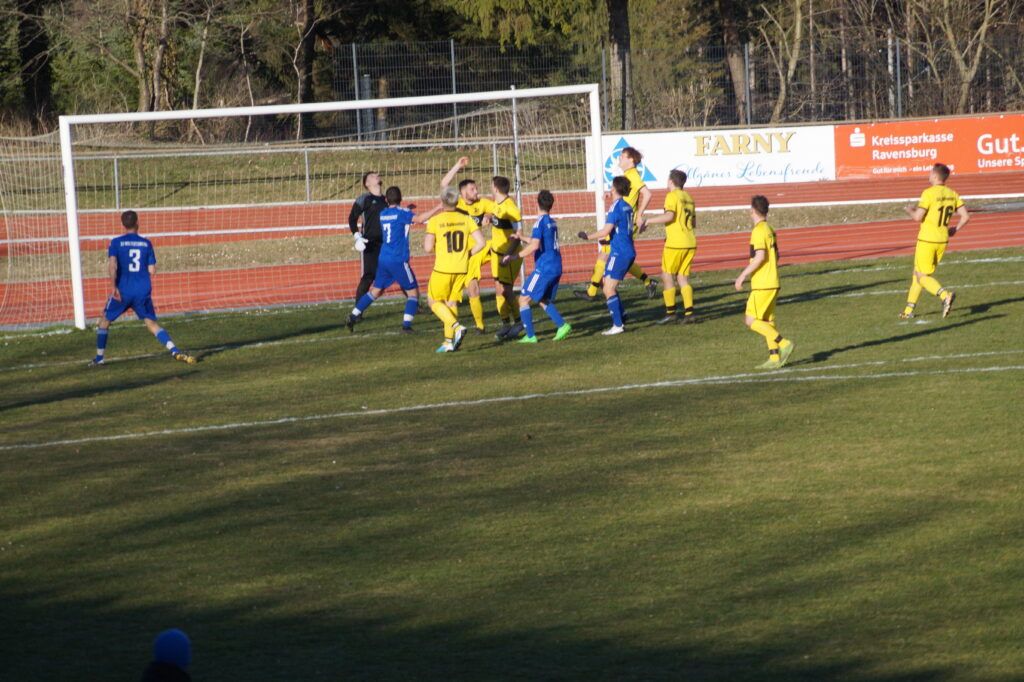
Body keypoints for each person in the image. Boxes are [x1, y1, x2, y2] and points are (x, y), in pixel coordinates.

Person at [89, 210, 195, 367]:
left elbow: (112, 266)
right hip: (142, 291)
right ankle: (174, 350)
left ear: (122, 224)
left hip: (123, 291)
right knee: (151, 323)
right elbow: (152, 270)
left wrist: (113, 286)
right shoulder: (146, 243)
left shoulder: (116, 242)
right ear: (137, 223)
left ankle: (99, 358)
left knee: (105, 321)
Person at [346, 186, 441, 333]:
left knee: (376, 291)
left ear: (386, 200)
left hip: (384, 258)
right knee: (413, 293)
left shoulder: (383, 214)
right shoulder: (403, 213)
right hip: (398, 259)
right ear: (401, 198)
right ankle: (406, 325)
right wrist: (439, 207)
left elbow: (396, 217)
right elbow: (421, 219)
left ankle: (353, 316)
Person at [576, 146, 657, 302]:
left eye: (622, 156)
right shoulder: (628, 175)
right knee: (617, 255)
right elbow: (628, 194)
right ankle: (648, 281)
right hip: (622, 220)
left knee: (607, 254)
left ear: (631, 160)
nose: (619, 158)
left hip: (624, 223)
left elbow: (647, 194)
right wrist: (612, 193)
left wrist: (639, 215)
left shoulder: (633, 175)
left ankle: (592, 292)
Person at [899, 163, 969, 320]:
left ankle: (945, 296)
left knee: (921, 276)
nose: (928, 175)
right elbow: (965, 217)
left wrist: (909, 210)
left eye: (930, 173)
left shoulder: (928, 193)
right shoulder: (952, 193)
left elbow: (918, 217)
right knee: (918, 273)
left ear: (936, 176)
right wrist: (955, 229)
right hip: (942, 240)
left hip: (927, 239)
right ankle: (908, 311)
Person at [734, 195, 794, 369]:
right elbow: (776, 255)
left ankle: (784, 343)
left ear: (753, 210)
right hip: (773, 281)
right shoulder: (770, 229)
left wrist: (742, 275)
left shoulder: (758, 231)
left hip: (763, 284)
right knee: (767, 321)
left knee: (750, 320)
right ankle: (774, 358)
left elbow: (760, 257)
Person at [424, 187, 486, 353]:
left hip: (443, 268)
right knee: (451, 302)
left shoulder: (435, 221)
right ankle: (448, 341)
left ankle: (456, 327)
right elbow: (481, 243)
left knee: (433, 301)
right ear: (457, 201)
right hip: (461, 268)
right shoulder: (466, 219)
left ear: (442, 201)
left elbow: (428, 248)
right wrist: (467, 254)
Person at [507, 190, 571, 343]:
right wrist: (521, 237)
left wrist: (516, 256)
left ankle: (530, 336)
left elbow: (535, 245)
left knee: (523, 298)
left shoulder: (539, 222)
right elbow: (539, 241)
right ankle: (562, 326)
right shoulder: (552, 222)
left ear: (537, 203)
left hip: (544, 268)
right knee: (542, 298)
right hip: (556, 265)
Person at [440, 157, 496, 334]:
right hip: (464, 254)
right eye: (472, 189)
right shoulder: (458, 203)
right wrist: (458, 165)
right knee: (470, 290)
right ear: (463, 192)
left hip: (480, 249)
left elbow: (497, 209)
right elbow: (444, 184)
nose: (476, 191)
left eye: (476, 188)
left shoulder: (482, 203)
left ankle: (505, 283)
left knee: (500, 246)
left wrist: (489, 216)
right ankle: (475, 326)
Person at [577, 176, 635, 336]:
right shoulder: (627, 206)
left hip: (619, 252)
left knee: (608, 288)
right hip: (627, 249)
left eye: (611, 187)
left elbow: (605, 231)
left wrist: (587, 236)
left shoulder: (615, 208)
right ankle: (622, 315)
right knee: (605, 283)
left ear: (614, 189)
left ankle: (617, 325)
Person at [640, 169, 698, 324]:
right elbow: (693, 223)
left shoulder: (672, 196)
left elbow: (670, 216)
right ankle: (689, 313)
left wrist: (648, 221)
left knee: (666, 275)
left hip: (675, 243)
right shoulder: (689, 197)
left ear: (671, 181)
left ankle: (671, 313)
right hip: (690, 242)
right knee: (682, 277)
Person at [488, 175, 526, 341]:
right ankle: (505, 323)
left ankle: (519, 321)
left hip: (508, 256)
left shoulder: (511, 209)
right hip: (497, 253)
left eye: (491, 186)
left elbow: (518, 235)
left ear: (496, 188)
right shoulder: (497, 203)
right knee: (499, 289)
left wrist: (508, 255)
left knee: (506, 290)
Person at [349, 171, 388, 304]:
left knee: (398, 271)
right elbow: (352, 218)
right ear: (367, 183)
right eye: (372, 175)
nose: (377, 175)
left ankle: (414, 304)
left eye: (377, 174)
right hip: (370, 244)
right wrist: (357, 236)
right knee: (369, 276)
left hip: (387, 243)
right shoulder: (364, 199)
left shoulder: (387, 199)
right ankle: (357, 310)